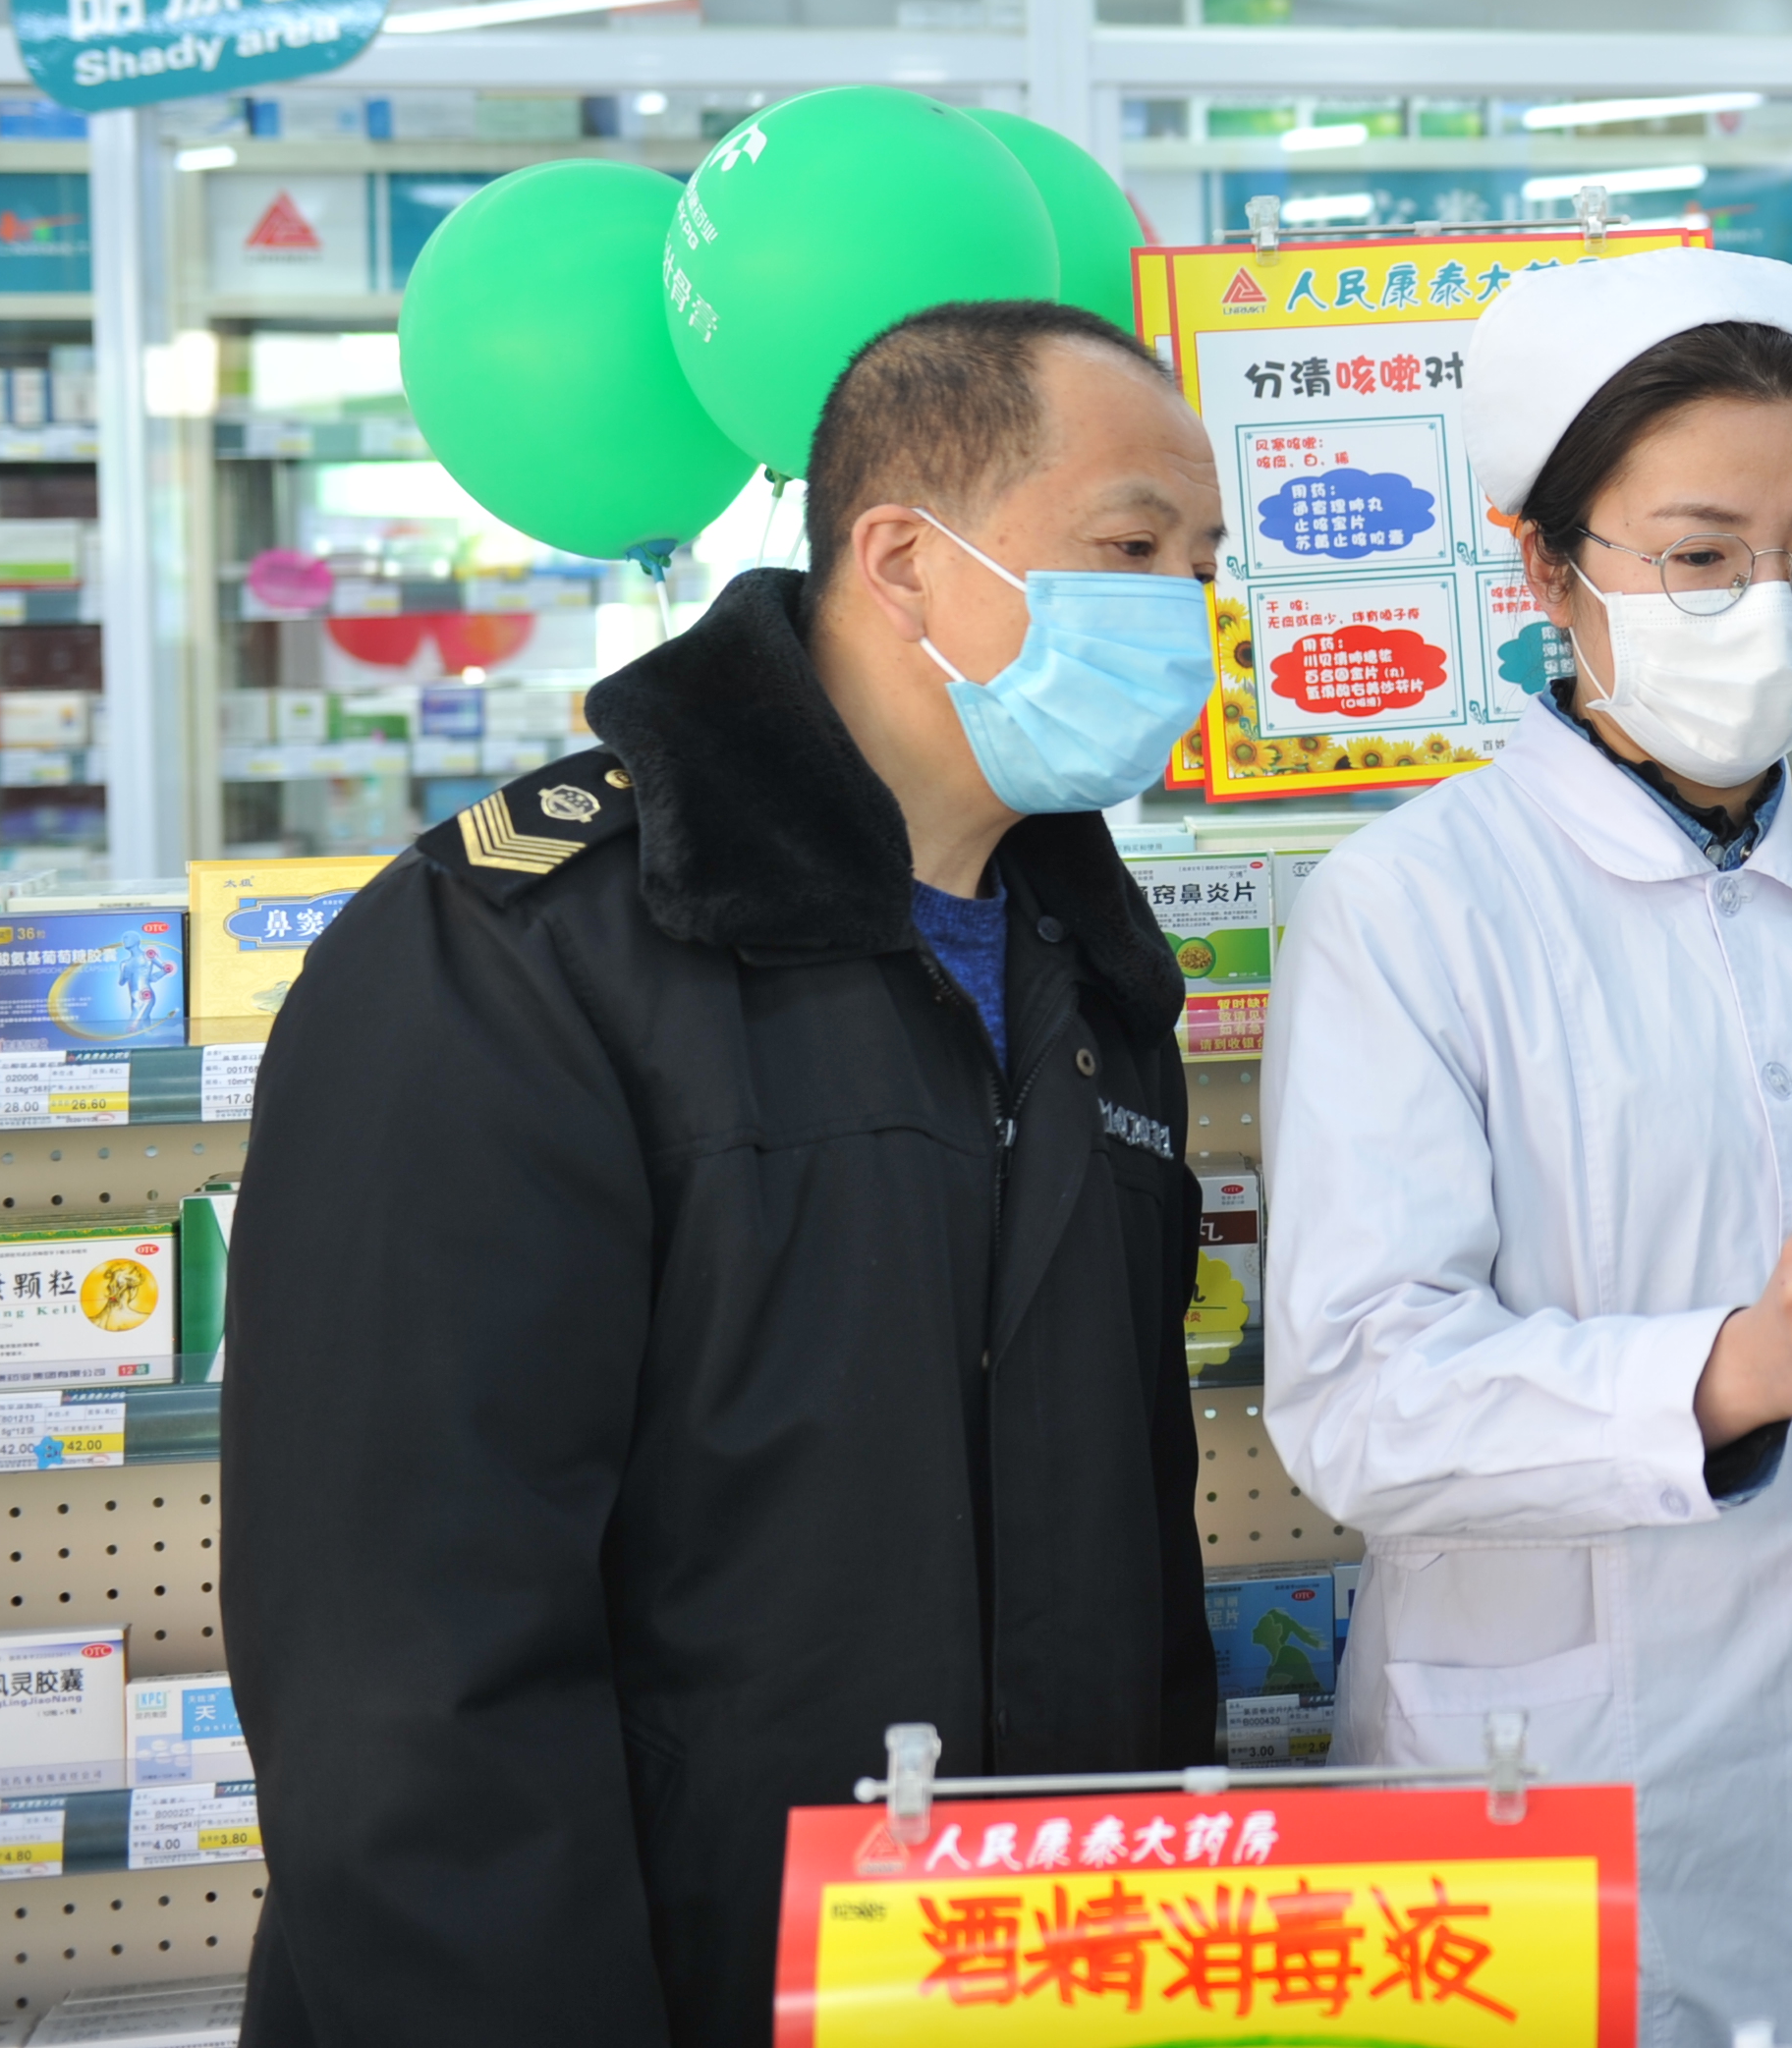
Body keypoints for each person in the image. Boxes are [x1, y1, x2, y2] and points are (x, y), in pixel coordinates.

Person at [226, 300, 1229, 2047]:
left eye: (1201, 570)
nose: (1180, 619)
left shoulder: (1092, 978)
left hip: (1018, 1980)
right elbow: (403, 1655)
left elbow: (1132, 1554)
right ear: (904, 560)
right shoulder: (515, 954)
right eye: (1131, 551)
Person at [1265, 249, 1792, 2048]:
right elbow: (1360, 1399)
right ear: (1546, 569)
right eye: (1701, 557)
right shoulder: (1410, 911)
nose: (1767, 607)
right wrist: (1725, 1377)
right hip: (1554, 1799)